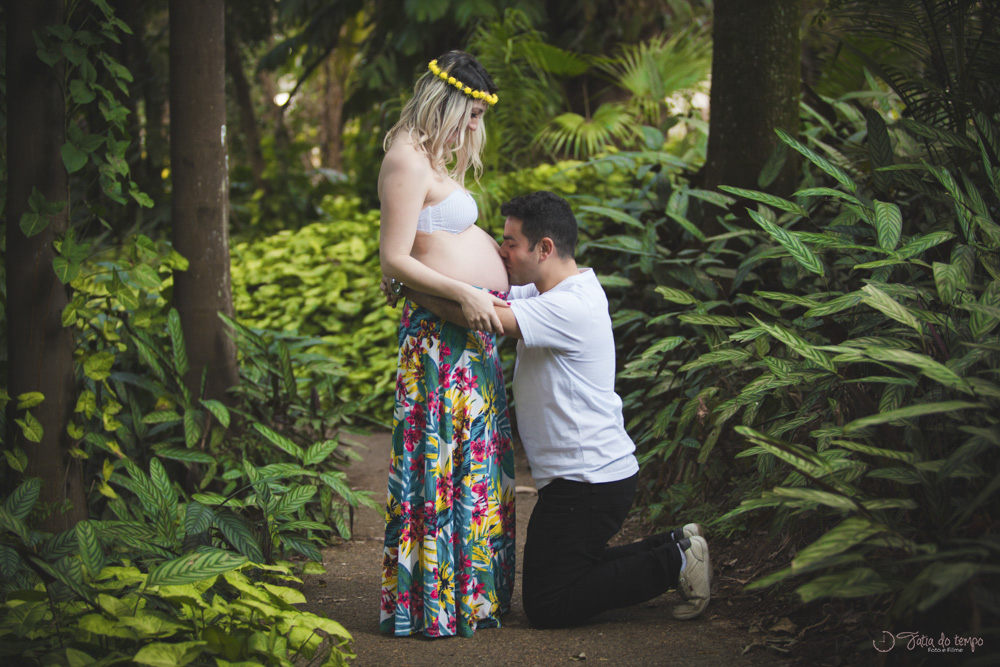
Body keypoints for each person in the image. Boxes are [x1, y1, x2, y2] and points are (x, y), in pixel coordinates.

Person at [388, 191, 711, 628]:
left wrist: (407, 284)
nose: (502, 251)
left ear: (545, 249)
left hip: (588, 483)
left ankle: (673, 562)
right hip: (585, 479)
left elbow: (482, 316)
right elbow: (484, 294)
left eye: (511, 243)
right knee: (566, 570)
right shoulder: (547, 287)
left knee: (548, 603)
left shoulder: (570, 306)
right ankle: (675, 544)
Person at [376, 51, 516, 638]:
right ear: (448, 104)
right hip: (439, 344)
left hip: (467, 338)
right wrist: (465, 291)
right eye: (473, 115)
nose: (476, 129)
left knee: (472, 465)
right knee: (440, 462)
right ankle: (432, 603)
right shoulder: (406, 157)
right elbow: (393, 257)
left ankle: (472, 597)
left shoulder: (432, 155)